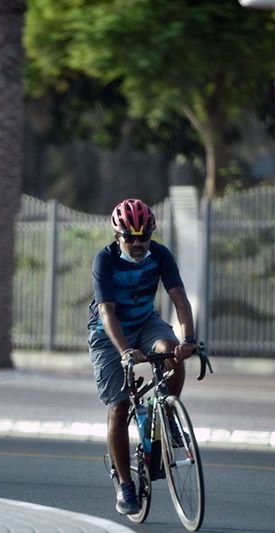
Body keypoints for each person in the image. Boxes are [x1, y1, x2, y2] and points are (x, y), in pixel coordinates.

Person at [88, 198, 197, 516]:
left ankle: (167, 413)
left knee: (171, 352)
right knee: (119, 407)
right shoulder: (104, 261)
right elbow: (106, 312)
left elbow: (179, 297)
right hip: (110, 334)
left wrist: (188, 339)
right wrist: (125, 352)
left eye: (143, 237)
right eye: (130, 237)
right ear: (117, 235)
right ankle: (125, 485)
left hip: (146, 323)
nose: (137, 244)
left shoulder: (160, 254)